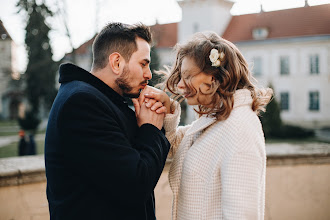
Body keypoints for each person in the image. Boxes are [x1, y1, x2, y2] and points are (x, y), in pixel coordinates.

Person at [140, 32, 273, 219]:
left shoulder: (240, 126)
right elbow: (175, 145)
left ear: (213, 77)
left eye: (187, 76)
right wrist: (167, 110)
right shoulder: (216, 119)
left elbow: (241, 214)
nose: (179, 86)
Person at [44, 22, 170, 220]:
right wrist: (150, 128)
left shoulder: (102, 100)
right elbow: (135, 185)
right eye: (143, 64)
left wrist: (162, 114)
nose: (149, 74)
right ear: (116, 62)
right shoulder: (82, 104)